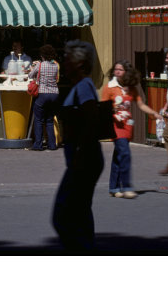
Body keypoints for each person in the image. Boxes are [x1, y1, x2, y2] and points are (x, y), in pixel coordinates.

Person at [51, 40, 103, 250]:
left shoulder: (83, 87)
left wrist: (80, 151)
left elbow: (91, 116)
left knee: (63, 214)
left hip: (84, 158)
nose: (64, 61)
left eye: (68, 58)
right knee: (79, 212)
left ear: (80, 64)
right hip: (83, 157)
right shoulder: (81, 86)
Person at [101, 60, 158, 198]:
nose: (117, 72)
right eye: (116, 69)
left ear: (127, 72)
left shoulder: (131, 88)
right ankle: (126, 187)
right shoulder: (109, 87)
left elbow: (140, 104)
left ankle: (114, 188)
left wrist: (153, 113)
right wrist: (113, 112)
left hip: (127, 125)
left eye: (120, 69)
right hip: (115, 125)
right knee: (125, 154)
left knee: (119, 156)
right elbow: (103, 109)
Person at [28, 44, 60, 151]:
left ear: (42, 55)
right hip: (54, 94)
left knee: (39, 120)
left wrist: (33, 67)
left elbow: (31, 75)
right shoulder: (55, 65)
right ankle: (52, 145)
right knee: (49, 120)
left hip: (43, 93)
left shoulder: (40, 65)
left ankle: (38, 144)